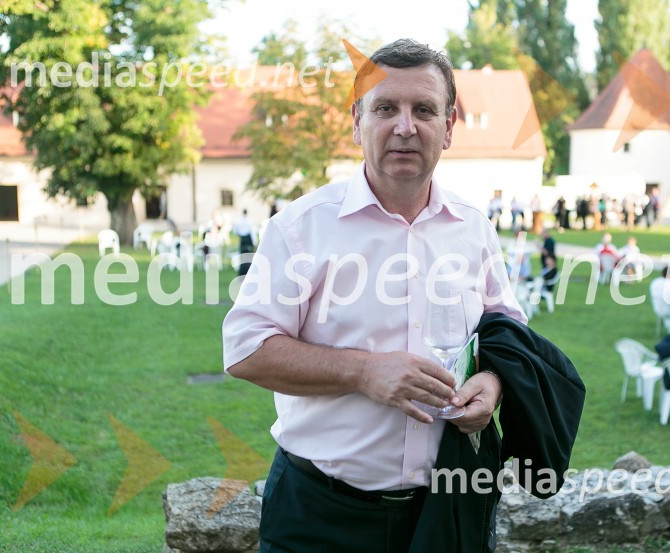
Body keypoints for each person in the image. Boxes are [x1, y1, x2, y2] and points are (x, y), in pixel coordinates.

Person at [222, 39, 527, 553]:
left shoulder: (475, 230)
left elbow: (509, 332)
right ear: (357, 121)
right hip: (320, 516)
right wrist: (363, 372)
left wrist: (493, 383)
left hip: (444, 511)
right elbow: (245, 349)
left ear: (448, 127)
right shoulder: (301, 229)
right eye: (385, 108)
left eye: (424, 110)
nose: (405, 126)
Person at [232, 209, 257, 276]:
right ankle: (248, 271)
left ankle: (242, 271)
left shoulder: (239, 221)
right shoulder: (250, 221)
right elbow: (252, 232)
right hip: (248, 239)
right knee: (248, 255)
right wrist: (255, 242)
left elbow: (235, 231)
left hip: (242, 239)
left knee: (242, 255)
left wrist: (240, 234)